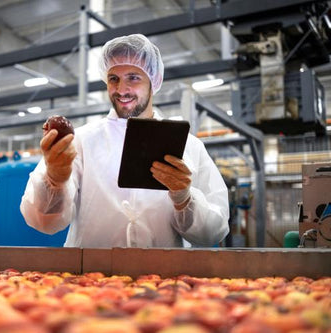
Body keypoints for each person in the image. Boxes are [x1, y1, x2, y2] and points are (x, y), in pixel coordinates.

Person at [20, 34, 229, 248]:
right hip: (90, 276)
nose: (121, 89)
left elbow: (214, 231)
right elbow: (42, 222)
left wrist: (184, 198)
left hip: (162, 277)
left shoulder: (189, 146)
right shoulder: (81, 141)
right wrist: (55, 180)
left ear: (153, 81)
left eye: (133, 77)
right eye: (113, 79)